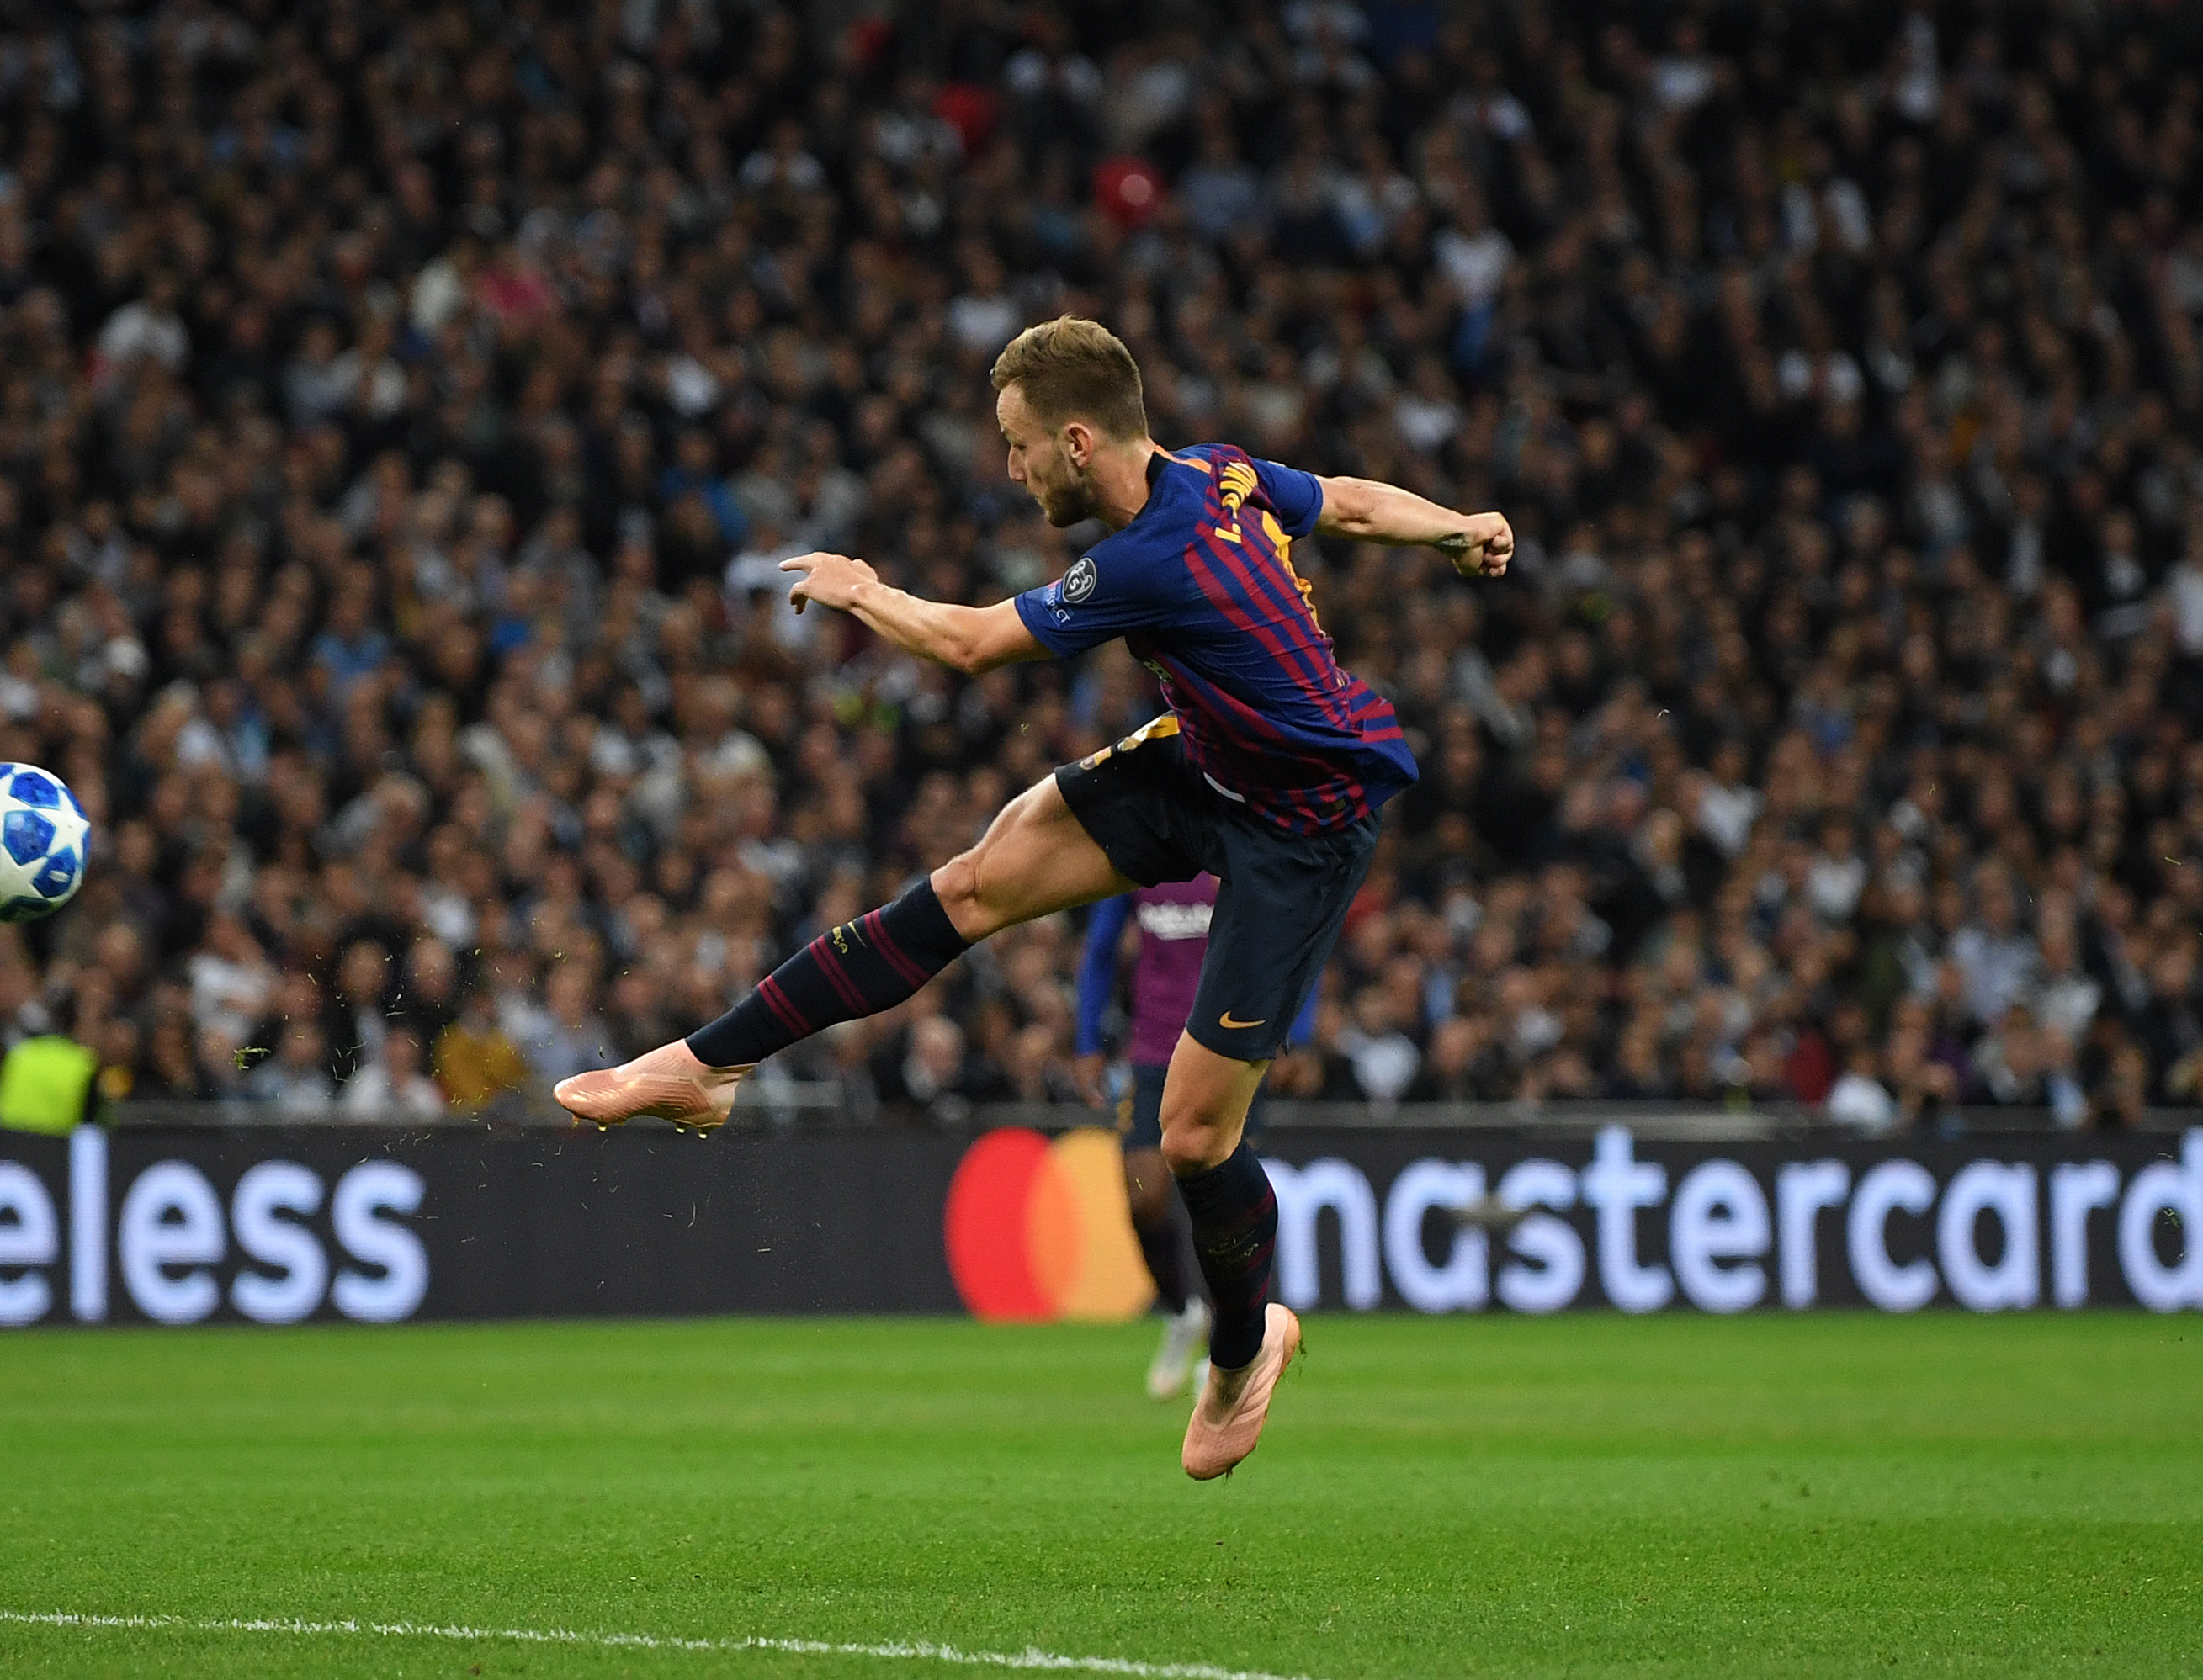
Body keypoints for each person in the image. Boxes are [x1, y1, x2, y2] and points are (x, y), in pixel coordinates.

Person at [557, 315, 1511, 1480]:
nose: (1008, 470)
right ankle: (707, 1065)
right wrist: (1456, 529)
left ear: (1073, 439)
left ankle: (1244, 1340)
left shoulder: (1150, 556)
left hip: (1301, 825)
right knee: (969, 885)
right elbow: (1351, 505)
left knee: (1193, 1138)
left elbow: (966, 646)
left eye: (1016, 446)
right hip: (1204, 761)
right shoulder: (1219, 469)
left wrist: (863, 589)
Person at [1075, 873, 1320, 1402]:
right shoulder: (1143, 858)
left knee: (1223, 1203)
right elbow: (1098, 948)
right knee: (1142, 1195)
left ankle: (1224, 1345)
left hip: (1228, 1051)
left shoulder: (1237, 856)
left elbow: (1296, 932)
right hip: (1152, 1056)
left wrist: (1297, 1033)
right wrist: (1087, 1039)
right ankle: (1182, 1311)